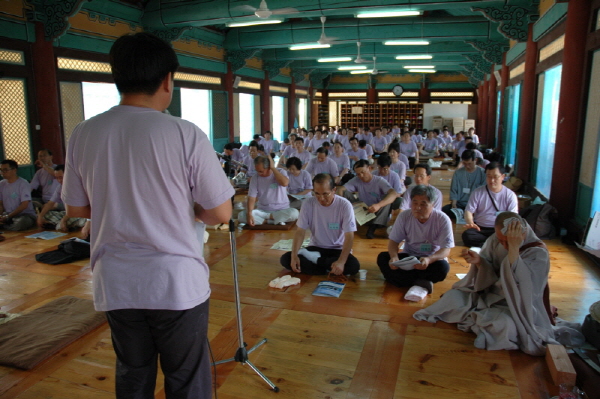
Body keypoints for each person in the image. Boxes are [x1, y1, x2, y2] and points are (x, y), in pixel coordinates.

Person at [62, 32, 234, 399]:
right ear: (167, 80)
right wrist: (182, 207)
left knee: (133, 372)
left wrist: (118, 203)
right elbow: (219, 213)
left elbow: (77, 210)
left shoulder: (84, 132)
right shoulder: (184, 133)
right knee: (186, 377)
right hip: (174, 282)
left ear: (118, 77)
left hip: (116, 280)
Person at [413, 212, 558, 356]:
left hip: (513, 306)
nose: (504, 245)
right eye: (502, 241)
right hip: (488, 294)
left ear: (522, 232)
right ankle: (479, 318)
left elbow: (528, 290)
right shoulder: (496, 238)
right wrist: (480, 262)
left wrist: (514, 250)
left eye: (508, 241)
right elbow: (488, 268)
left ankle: (477, 318)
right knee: (452, 297)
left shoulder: (538, 253)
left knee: (505, 325)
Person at [377, 185, 454, 294]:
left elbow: (446, 250)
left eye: (423, 204)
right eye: (415, 203)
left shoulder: (442, 219)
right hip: (410, 257)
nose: (418, 207)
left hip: (430, 259)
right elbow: (394, 241)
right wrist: (394, 257)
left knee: (443, 268)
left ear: (432, 205)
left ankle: (403, 280)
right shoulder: (404, 216)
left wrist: (429, 259)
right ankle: (421, 281)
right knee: (383, 258)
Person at [280, 173, 359, 275]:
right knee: (286, 259)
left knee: (353, 266)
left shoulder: (344, 205)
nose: (321, 198)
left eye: (325, 194)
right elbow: (300, 231)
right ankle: (327, 268)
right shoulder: (308, 203)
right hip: (315, 248)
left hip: (337, 249)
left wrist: (341, 262)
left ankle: (317, 263)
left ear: (334, 190)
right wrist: (294, 256)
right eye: (317, 193)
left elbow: (349, 236)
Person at [338, 160, 397, 239]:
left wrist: (378, 205)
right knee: (344, 193)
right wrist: (345, 206)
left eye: (363, 172)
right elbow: (340, 189)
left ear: (369, 168)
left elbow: (394, 193)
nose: (361, 176)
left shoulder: (379, 181)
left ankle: (373, 227)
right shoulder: (356, 180)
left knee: (388, 199)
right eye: (358, 174)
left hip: (377, 213)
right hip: (363, 211)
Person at [462, 162, 518, 247]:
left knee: (513, 236)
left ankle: (488, 245)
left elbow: (513, 217)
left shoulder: (510, 195)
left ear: (503, 177)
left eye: (495, 177)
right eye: (489, 176)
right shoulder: (478, 192)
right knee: (468, 235)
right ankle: (495, 245)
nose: (492, 180)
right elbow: (468, 211)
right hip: (480, 228)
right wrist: (471, 223)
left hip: (500, 229)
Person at [238, 155, 299, 226]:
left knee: (294, 214)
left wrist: (273, 168)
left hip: (282, 209)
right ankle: (272, 221)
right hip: (262, 211)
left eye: (261, 171)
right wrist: (249, 214)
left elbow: (285, 183)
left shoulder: (280, 172)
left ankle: (266, 220)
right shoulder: (255, 178)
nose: (259, 173)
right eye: (257, 171)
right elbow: (251, 197)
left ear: (269, 167)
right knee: (241, 216)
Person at [37, 165, 87, 231]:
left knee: (81, 220)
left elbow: (75, 208)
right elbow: (50, 203)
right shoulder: (60, 187)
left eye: (61, 177)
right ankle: (67, 224)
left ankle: (62, 224)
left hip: (78, 213)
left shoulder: (76, 186)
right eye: (57, 178)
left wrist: (64, 219)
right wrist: (40, 216)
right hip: (67, 213)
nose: (59, 180)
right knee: (45, 215)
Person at [442, 149, 486, 220]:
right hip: (460, 204)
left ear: (475, 160)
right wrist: (454, 203)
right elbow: (454, 189)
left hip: (476, 206)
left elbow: (483, 193)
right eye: (464, 164)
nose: (467, 166)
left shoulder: (483, 173)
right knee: (444, 210)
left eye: (469, 163)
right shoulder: (458, 173)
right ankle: (464, 214)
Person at [0, 159, 37, 231]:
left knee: (20, 224)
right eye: (1, 170)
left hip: (25, 215)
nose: (2, 173)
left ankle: (6, 227)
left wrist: (8, 216)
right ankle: (7, 225)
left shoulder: (23, 183)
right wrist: (1, 216)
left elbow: (24, 205)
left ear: (14, 170)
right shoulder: (1, 184)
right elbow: (0, 203)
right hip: (7, 214)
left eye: (5, 170)